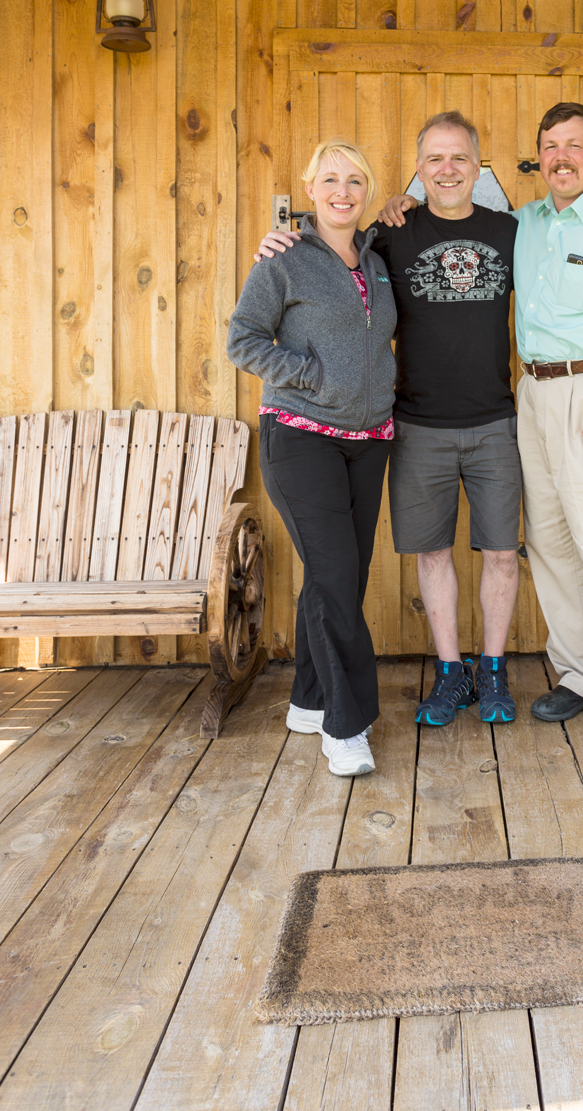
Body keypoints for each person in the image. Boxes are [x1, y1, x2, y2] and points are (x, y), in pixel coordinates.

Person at [382, 100, 583, 761]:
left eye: (574, 146)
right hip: (532, 398)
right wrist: (394, 205)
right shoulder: (520, 225)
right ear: (538, 156)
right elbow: (443, 217)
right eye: (550, 146)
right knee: (550, 547)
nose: (561, 158)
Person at [255, 111, 522, 728]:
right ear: (419, 168)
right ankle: (451, 675)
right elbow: (331, 240)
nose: (447, 170)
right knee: (430, 554)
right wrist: (284, 236)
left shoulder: (511, 231)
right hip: (416, 425)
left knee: (502, 553)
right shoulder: (389, 234)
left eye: (459, 158)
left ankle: (494, 670)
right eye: (434, 159)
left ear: (478, 166)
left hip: (495, 423)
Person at [228, 139, 396, 777]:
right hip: (300, 433)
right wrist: (308, 374)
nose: (343, 192)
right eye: (330, 179)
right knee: (331, 573)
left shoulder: (376, 259)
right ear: (310, 186)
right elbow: (242, 339)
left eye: (355, 180)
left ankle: (308, 698)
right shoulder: (285, 258)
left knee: (343, 576)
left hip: (369, 439)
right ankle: (345, 726)